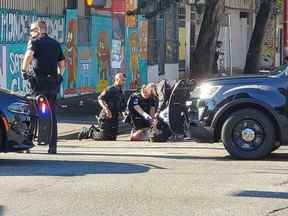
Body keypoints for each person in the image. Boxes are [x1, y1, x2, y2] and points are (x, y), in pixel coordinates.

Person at [21, 20, 65, 154]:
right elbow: (62, 64)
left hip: (38, 83)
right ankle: (52, 147)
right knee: (52, 114)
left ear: (38, 30)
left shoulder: (34, 41)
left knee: (32, 113)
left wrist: (23, 71)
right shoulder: (55, 43)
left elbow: (29, 56)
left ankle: (27, 144)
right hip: (52, 83)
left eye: (32, 30)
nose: (31, 33)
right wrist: (59, 76)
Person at [95, 72, 126, 141]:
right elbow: (100, 98)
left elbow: (122, 105)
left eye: (124, 80)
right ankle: (91, 132)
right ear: (117, 79)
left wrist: (122, 113)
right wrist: (106, 109)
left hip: (114, 118)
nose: (123, 82)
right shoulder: (110, 89)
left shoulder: (121, 92)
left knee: (112, 138)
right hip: (106, 117)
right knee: (103, 137)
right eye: (122, 80)